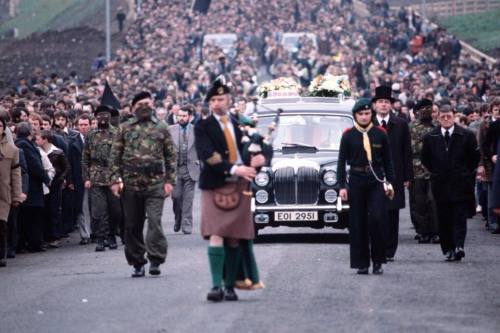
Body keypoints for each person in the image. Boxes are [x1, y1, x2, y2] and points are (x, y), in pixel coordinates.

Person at [195, 78, 268, 301]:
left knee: (235, 237)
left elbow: (259, 146)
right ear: (209, 103)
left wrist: (259, 159)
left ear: (229, 100)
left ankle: (230, 286)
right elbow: (208, 156)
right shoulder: (203, 126)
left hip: (240, 186)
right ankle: (216, 286)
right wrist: (237, 169)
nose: (217, 103)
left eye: (221, 99)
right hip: (216, 183)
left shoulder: (239, 124)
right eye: (213, 100)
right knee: (216, 233)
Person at [109, 91, 176, 277]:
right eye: (140, 104)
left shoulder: (161, 127)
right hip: (130, 184)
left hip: (155, 183)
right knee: (132, 225)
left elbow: (171, 155)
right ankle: (137, 262)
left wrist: (170, 181)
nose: (144, 107)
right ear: (133, 108)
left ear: (153, 105)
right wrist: (114, 180)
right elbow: (115, 156)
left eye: (147, 103)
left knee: (154, 222)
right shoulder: (125, 128)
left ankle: (155, 259)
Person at [337, 98, 395, 275]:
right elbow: (341, 163)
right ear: (355, 115)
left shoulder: (380, 133)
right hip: (356, 180)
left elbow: (388, 161)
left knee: (377, 219)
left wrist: (390, 181)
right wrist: (342, 186)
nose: (364, 117)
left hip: (376, 180)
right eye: (360, 114)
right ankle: (361, 263)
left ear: (372, 114)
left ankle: (378, 261)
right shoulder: (348, 135)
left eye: (367, 113)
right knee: (357, 222)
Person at [421, 104, 480, 261]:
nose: (446, 119)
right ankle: (448, 248)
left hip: (460, 183)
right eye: (443, 117)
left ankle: (459, 245)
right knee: (444, 217)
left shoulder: (466, 135)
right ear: (438, 117)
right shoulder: (431, 137)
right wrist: (436, 173)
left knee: (459, 216)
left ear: (454, 116)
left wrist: (465, 173)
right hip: (440, 183)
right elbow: (425, 159)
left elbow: (474, 158)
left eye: (449, 116)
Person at [372, 86, 412, 262]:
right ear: (374, 105)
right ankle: (376, 247)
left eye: (386, 102)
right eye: (380, 102)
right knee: (374, 212)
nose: (383, 105)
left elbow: (406, 152)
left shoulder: (401, 124)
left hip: (394, 175)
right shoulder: (367, 123)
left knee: (392, 212)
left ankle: (389, 250)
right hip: (373, 175)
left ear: (391, 105)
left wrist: (408, 177)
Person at [82, 105, 121, 251]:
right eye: (100, 116)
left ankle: (112, 235)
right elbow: (85, 158)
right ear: (95, 117)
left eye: (106, 115)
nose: (103, 119)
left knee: (115, 210)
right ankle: (101, 238)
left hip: (113, 176)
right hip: (96, 176)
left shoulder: (117, 133)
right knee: (99, 210)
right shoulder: (91, 135)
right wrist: (86, 177)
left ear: (110, 117)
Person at [408, 99, 439, 243]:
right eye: (424, 108)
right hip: (416, 169)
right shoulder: (411, 127)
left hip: (434, 169)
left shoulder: (437, 127)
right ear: (418, 111)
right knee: (418, 202)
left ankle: (436, 231)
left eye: (429, 108)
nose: (427, 111)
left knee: (434, 201)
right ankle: (422, 231)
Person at [169, 104, 200, 234]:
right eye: (179, 115)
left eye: (184, 116)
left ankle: (186, 225)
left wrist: (200, 161)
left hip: (191, 169)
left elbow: (202, 148)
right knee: (176, 197)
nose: (181, 118)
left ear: (190, 117)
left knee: (188, 199)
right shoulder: (170, 130)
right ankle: (178, 219)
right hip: (175, 169)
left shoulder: (196, 130)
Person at [0, 118, 23, 266]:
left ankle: (2, 255)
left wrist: (17, 195)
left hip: (3, 193)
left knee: (1, 225)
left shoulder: (12, 149)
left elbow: (16, 174)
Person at [68, 114, 92, 245]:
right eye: (81, 125)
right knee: (82, 208)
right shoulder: (72, 143)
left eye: (85, 125)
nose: (83, 127)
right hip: (79, 179)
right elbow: (69, 163)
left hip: (97, 178)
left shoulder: (97, 140)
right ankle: (85, 234)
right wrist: (71, 181)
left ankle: (96, 232)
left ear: (90, 125)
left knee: (97, 207)